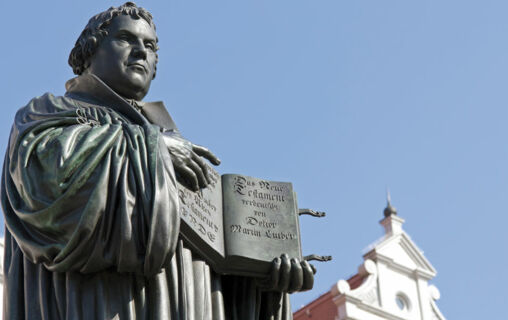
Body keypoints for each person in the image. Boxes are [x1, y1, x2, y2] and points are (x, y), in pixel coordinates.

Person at [1, 2, 314, 319]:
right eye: (125, 38)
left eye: (149, 46)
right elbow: (44, 185)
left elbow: (207, 279)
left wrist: (262, 285)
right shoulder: (49, 112)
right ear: (90, 50)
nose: (140, 52)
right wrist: (154, 148)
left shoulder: (172, 141)